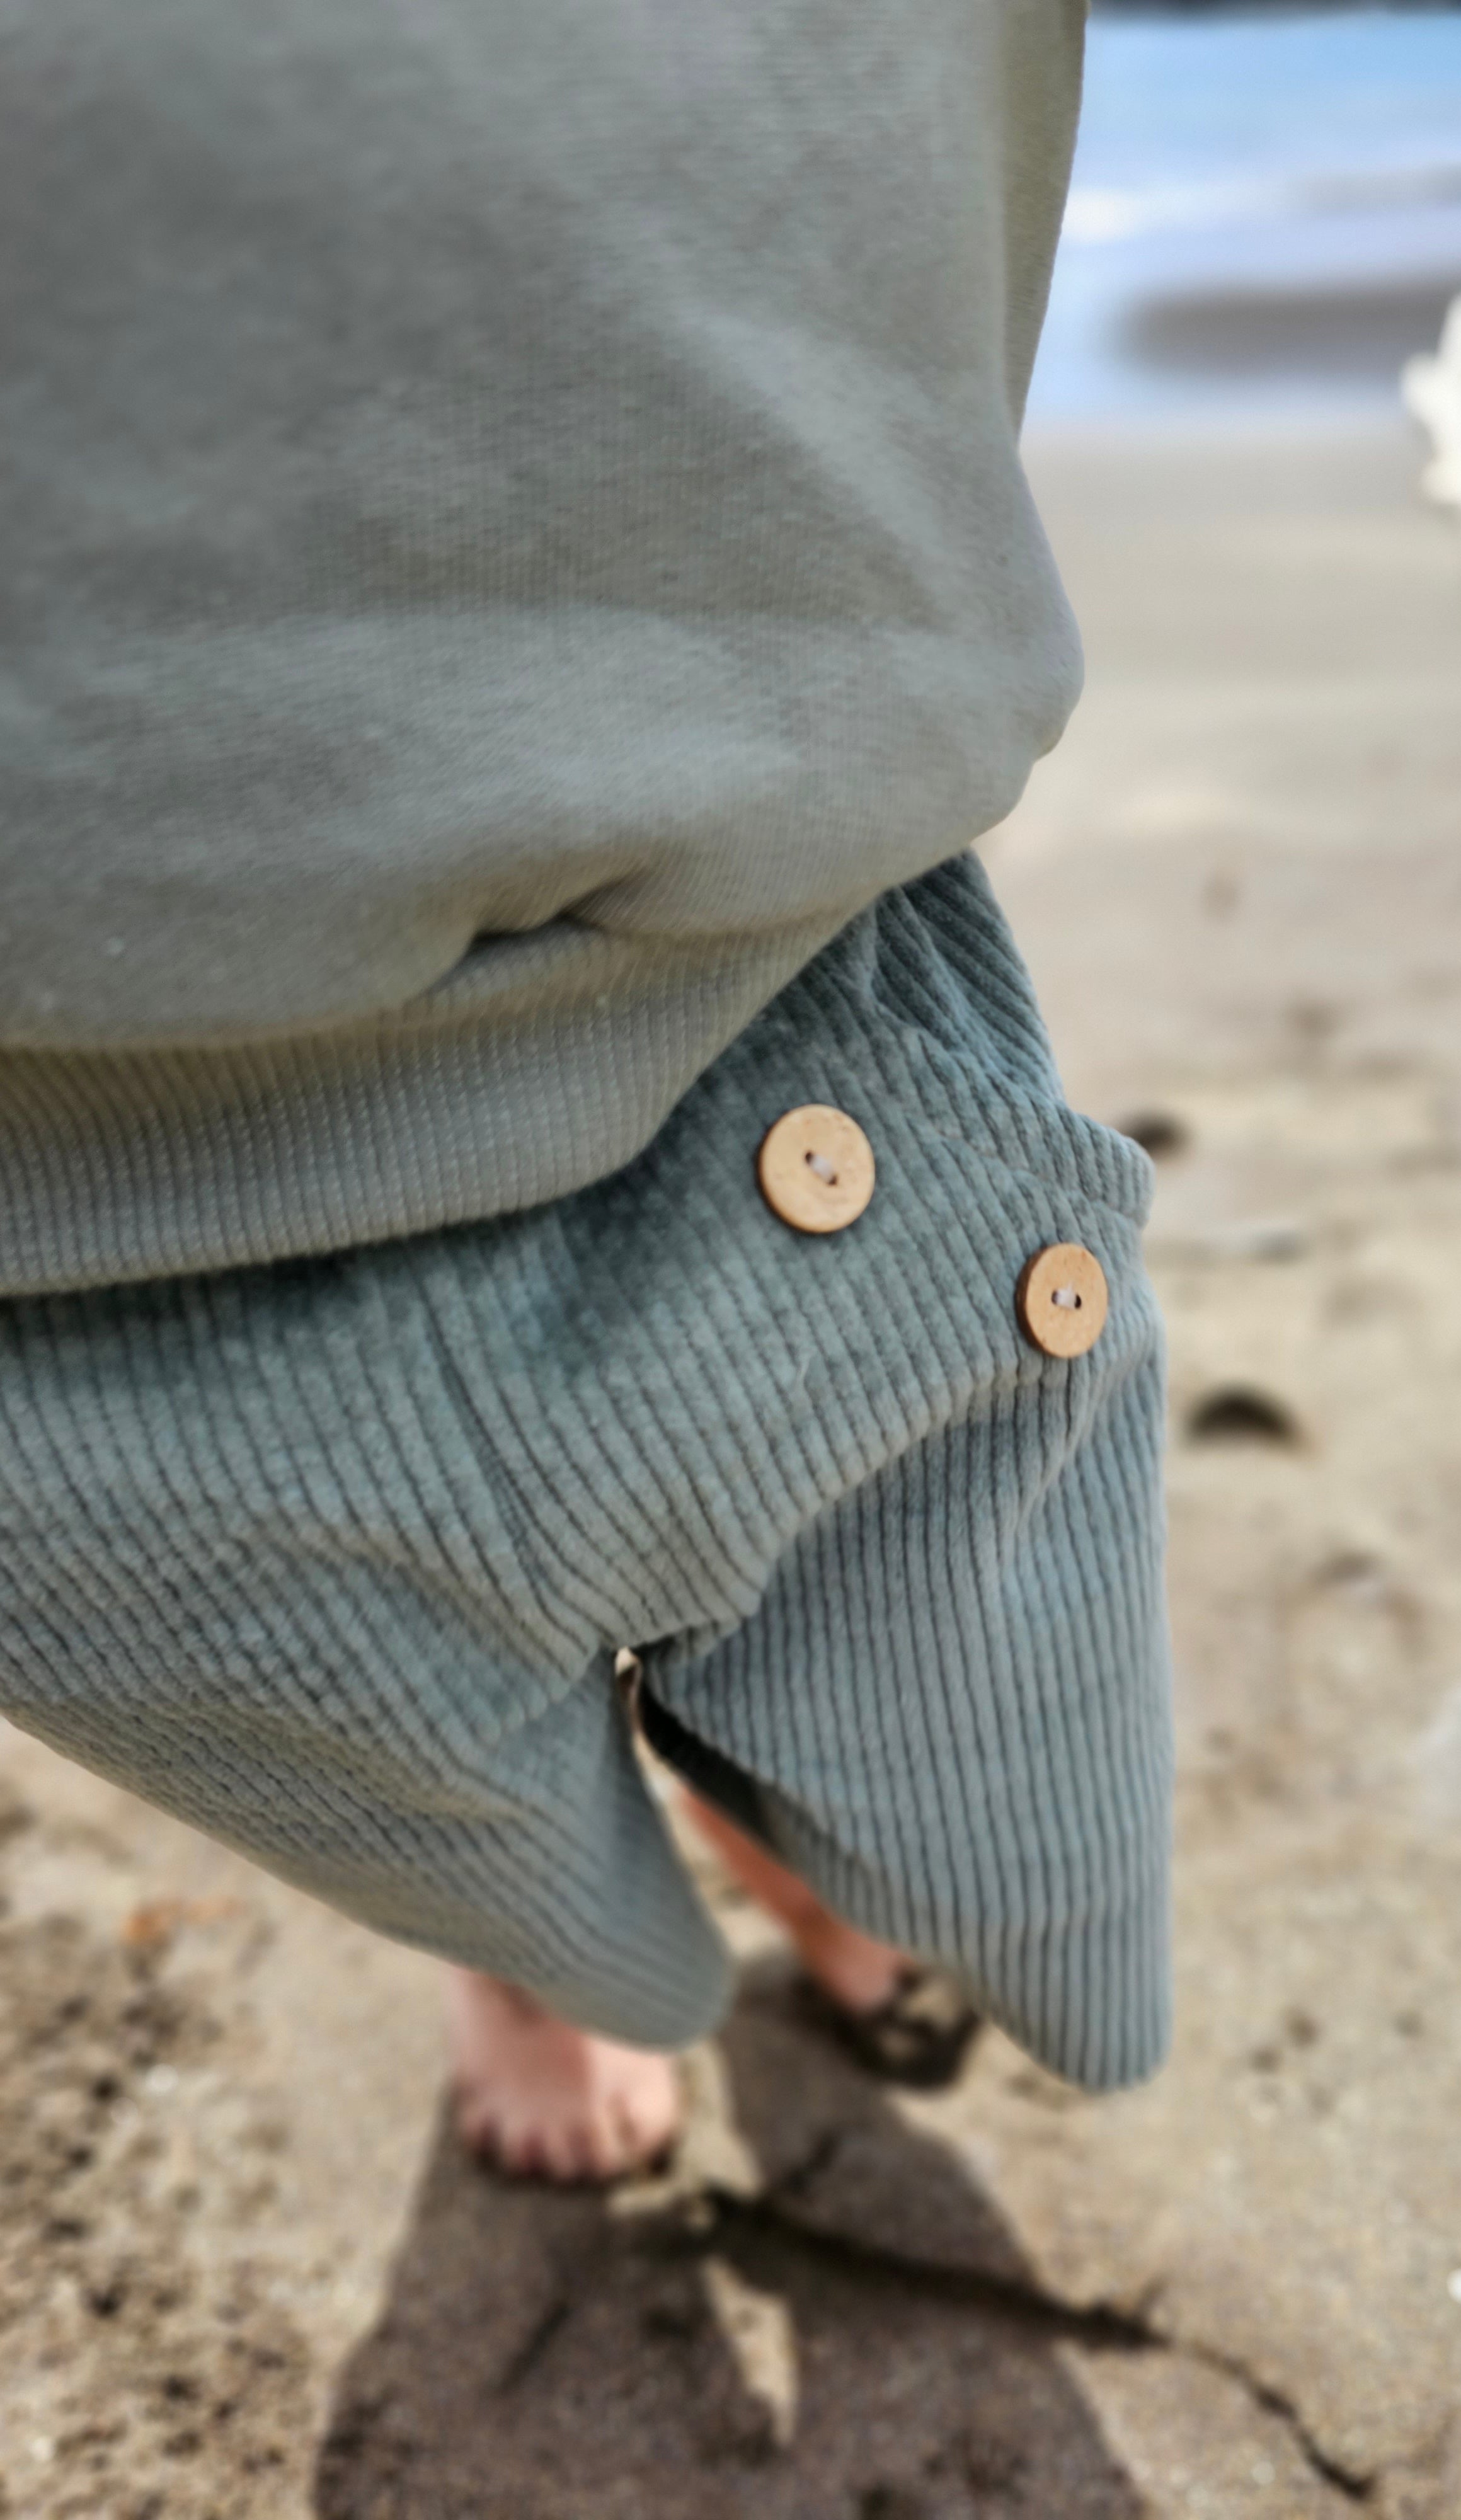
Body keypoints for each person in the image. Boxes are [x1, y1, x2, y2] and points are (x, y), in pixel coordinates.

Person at [0, 0, 1172, 2182]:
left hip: (746, 894)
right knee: (396, 1742)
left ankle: (803, 1845)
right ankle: (538, 1956)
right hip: (52, 1172)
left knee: (935, 1627)